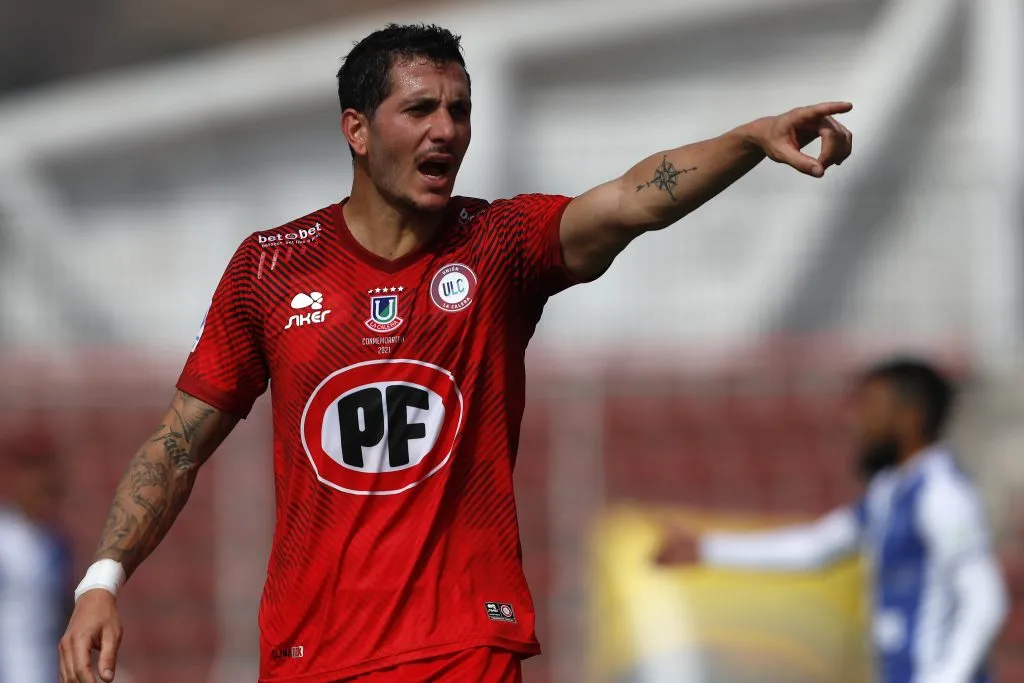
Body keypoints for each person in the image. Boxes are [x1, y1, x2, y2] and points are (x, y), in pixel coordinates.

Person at [59, 22, 854, 683]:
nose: (448, 129)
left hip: (463, 645)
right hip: (310, 653)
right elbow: (177, 443)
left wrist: (750, 140)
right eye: (421, 109)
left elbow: (633, 199)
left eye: (461, 110)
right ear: (358, 130)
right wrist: (103, 580)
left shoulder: (500, 246)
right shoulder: (271, 267)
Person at [655, 357, 1009, 683]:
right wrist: (709, 549)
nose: (857, 420)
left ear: (910, 416)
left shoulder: (942, 494)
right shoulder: (890, 492)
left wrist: (947, 677)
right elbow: (817, 546)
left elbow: (985, 600)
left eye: (871, 407)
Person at [0, 425, 73, 683]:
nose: (39, 481)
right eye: (30, 470)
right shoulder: (4, 537)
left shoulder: (56, 543)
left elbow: (64, 613)